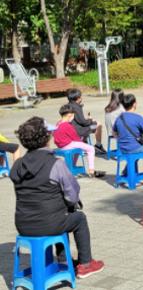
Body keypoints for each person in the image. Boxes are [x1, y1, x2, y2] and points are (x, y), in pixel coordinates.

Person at [10, 117, 105, 279]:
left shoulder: (18, 165)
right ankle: (86, 263)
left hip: (23, 224)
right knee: (78, 218)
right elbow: (72, 194)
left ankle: (64, 260)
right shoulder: (55, 163)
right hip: (50, 223)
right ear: (46, 138)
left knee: (60, 214)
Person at [54, 105, 105, 178]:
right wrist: (82, 140)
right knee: (90, 148)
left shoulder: (58, 123)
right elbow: (75, 138)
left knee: (78, 149)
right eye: (73, 116)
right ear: (70, 115)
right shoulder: (67, 125)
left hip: (61, 145)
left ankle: (72, 166)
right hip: (68, 144)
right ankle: (91, 171)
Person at [66, 88, 105, 155]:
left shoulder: (68, 105)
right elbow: (83, 122)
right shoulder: (76, 107)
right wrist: (90, 120)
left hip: (72, 128)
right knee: (98, 124)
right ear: (78, 98)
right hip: (80, 130)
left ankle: (84, 142)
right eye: (80, 97)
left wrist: (89, 120)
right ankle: (98, 145)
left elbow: (78, 120)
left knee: (93, 123)